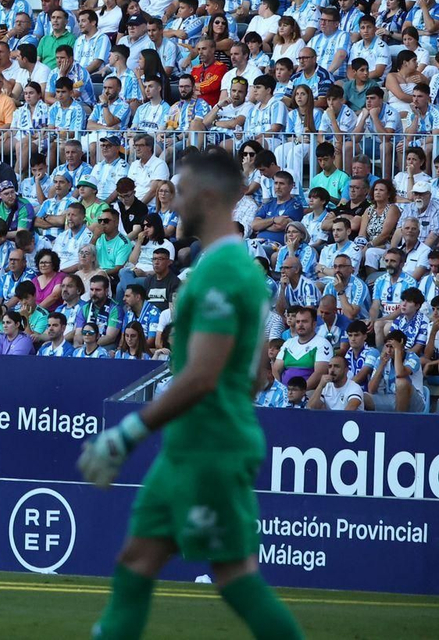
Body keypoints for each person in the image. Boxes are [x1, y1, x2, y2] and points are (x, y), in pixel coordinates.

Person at [78, 150, 302, 640]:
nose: (171, 205)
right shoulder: (227, 267)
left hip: (210, 447)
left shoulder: (223, 271)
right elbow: (259, 377)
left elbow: (202, 376)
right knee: (136, 561)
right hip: (192, 444)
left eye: (178, 193)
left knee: (234, 576)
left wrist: (129, 432)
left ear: (205, 197)